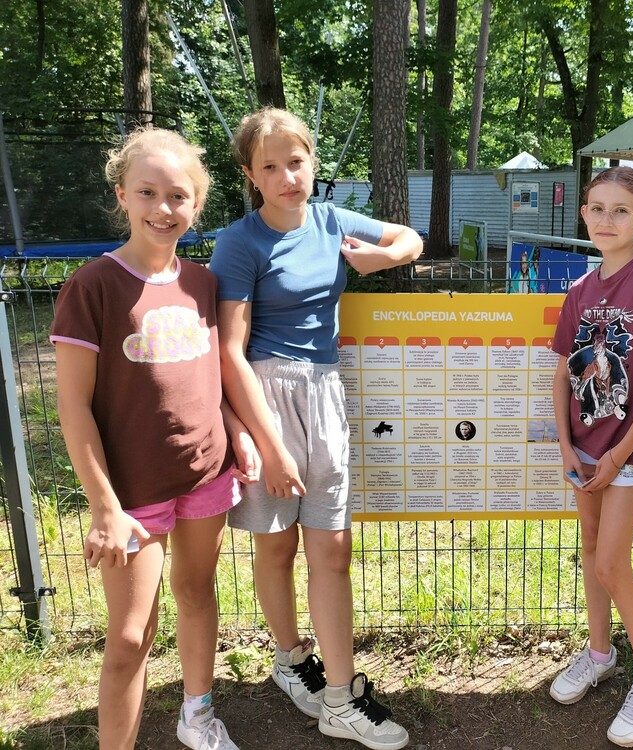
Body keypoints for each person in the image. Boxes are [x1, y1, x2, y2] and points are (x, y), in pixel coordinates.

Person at [210, 107, 422, 750]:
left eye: (296, 162)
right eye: (270, 167)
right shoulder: (238, 242)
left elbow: (410, 238)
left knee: (332, 550)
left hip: (325, 392)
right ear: (250, 175)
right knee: (275, 548)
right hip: (264, 396)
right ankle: (289, 657)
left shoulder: (331, 221)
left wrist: (380, 259)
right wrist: (268, 445)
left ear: (312, 163)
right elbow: (230, 351)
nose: (287, 177)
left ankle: (339, 698)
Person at [52, 128, 258, 750]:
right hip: (130, 494)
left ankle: (198, 716)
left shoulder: (203, 283)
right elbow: (73, 407)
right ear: (122, 195)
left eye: (178, 196)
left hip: (206, 473)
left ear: (197, 204)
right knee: (129, 637)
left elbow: (213, 375)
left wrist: (238, 431)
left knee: (197, 593)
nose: (163, 208)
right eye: (147, 192)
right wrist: (104, 507)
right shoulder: (92, 286)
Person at [550, 166, 633, 747]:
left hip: (628, 451)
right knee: (590, 549)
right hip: (584, 447)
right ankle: (600, 653)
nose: (607, 219)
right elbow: (564, 372)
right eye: (598, 208)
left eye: (621, 210)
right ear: (584, 214)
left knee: (611, 563)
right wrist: (567, 444)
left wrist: (618, 454)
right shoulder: (580, 290)